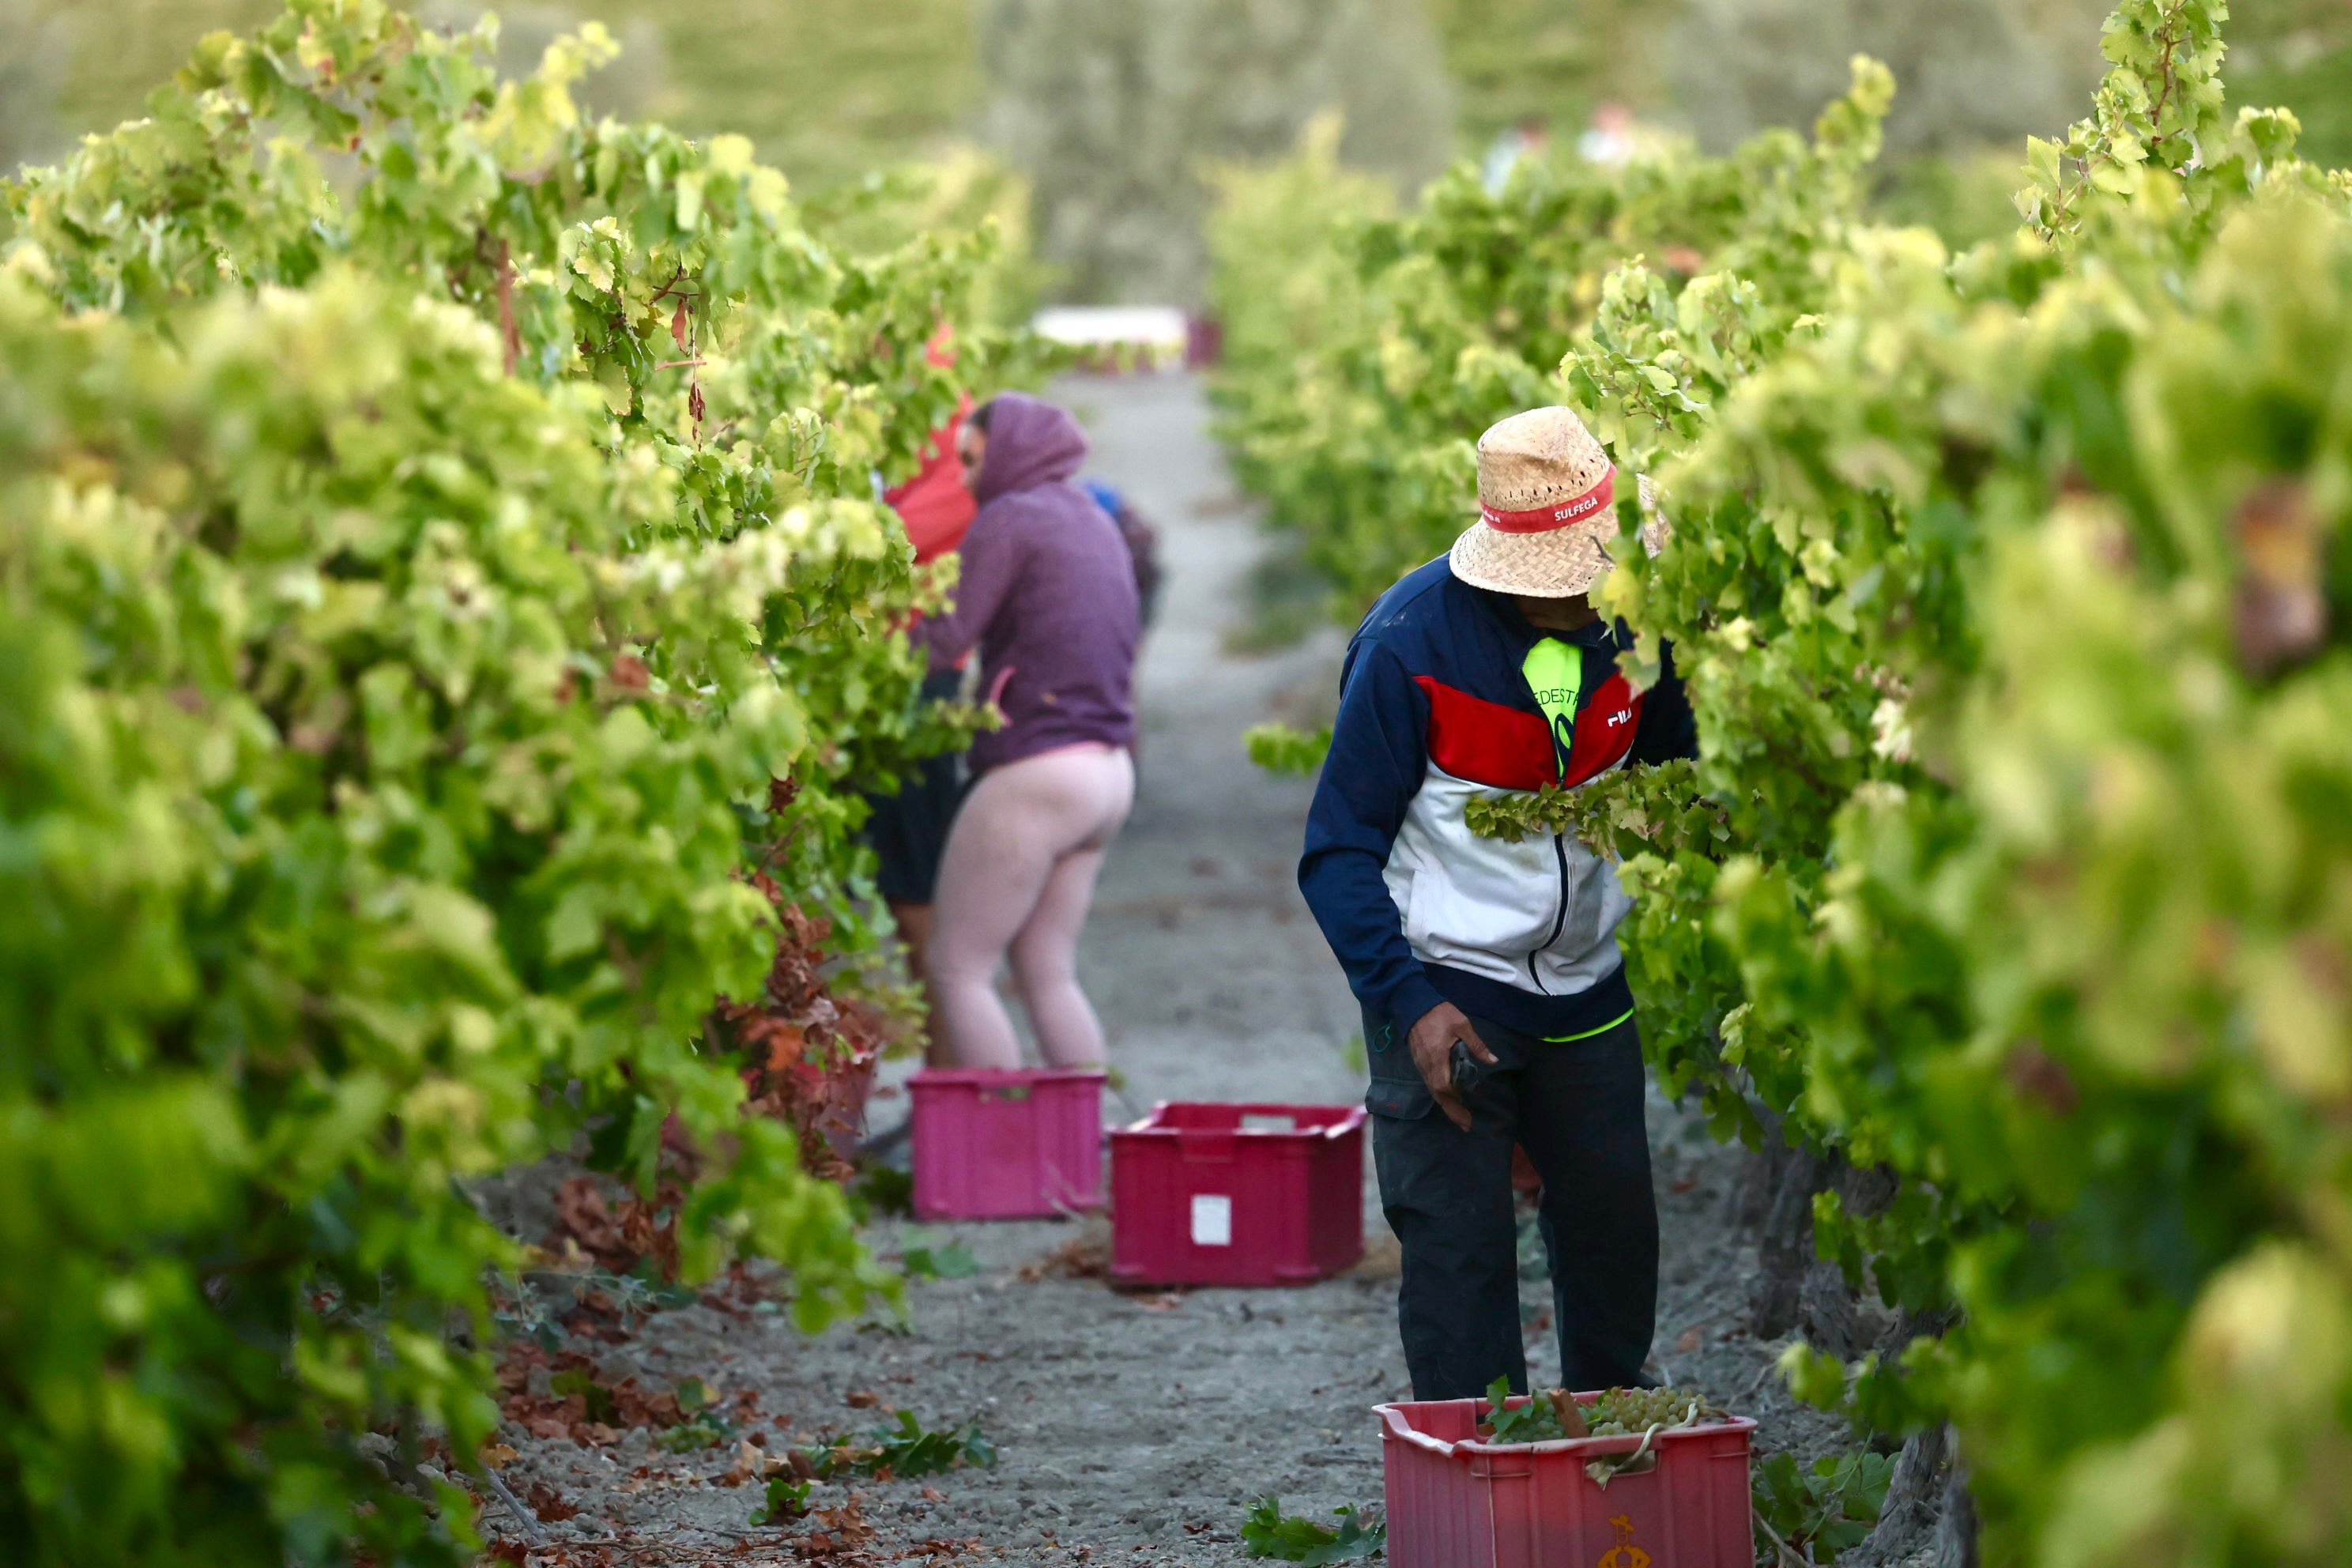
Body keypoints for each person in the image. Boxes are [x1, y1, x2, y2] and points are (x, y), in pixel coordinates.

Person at [1296, 405, 1696, 1400]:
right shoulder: (1407, 647)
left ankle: (1611, 1478)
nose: (1583, 599)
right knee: (1459, 1266)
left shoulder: (1638, 621)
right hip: (1450, 987)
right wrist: (1409, 1004)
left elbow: (1679, 767)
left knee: (1614, 1240)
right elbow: (1337, 851)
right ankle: (1477, 1496)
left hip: (1588, 982)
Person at [917, 394, 1143, 1071]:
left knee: (959, 970)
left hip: (1038, 771)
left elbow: (948, 638)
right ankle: (1087, 1158)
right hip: (1107, 773)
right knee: (1048, 971)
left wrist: (870, 623)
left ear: (1010, 451)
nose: (961, 478)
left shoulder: (1009, 517)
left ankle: (1000, 1160)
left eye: (972, 459)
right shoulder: (1091, 517)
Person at [865, 376, 978, 1060]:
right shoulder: (923, 431)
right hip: (863, 677)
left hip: (913, 681)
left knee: (916, 894)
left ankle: (949, 1082)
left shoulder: (953, 450)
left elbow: (880, 546)